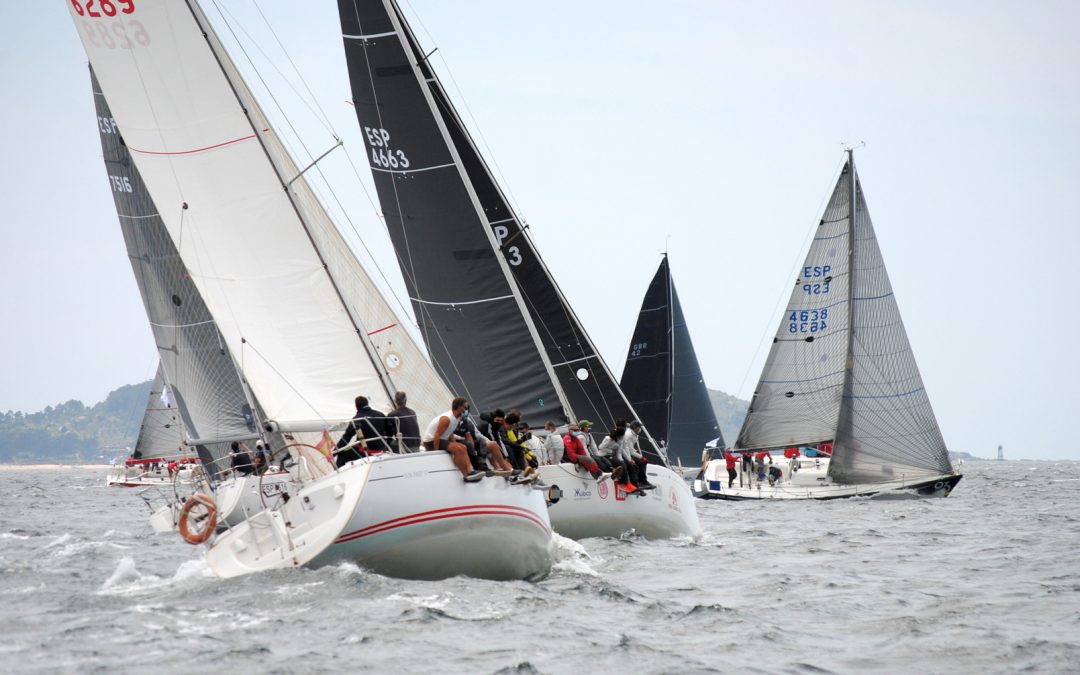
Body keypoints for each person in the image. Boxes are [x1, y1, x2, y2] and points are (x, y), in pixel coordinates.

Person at [422, 397, 483, 482]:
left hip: (442, 439)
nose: (466, 410)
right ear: (459, 407)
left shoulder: (457, 418)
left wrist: (455, 444)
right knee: (458, 449)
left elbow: (450, 433)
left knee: (463, 447)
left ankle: (470, 470)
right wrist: (436, 452)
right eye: (465, 408)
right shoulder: (447, 418)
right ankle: (466, 475)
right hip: (430, 441)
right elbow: (437, 435)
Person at [336, 395, 391, 467]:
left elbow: (346, 438)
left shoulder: (357, 419)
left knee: (342, 452)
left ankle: (339, 472)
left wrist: (335, 452)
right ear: (367, 403)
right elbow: (390, 430)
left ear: (356, 406)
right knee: (355, 444)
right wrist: (387, 444)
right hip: (381, 449)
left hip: (365, 451)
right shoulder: (380, 414)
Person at [620, 420, 656, 489]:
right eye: (639, 427)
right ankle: (640, 482)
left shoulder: (633, 433)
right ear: (635, 428)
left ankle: (642, 481)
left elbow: (630, 448)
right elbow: (629, 451)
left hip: (628, 451)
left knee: (644, 462)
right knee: (640, 462)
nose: (640, 429)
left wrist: (638, 455)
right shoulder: (629, 435)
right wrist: (641, 457)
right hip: (625, 453)